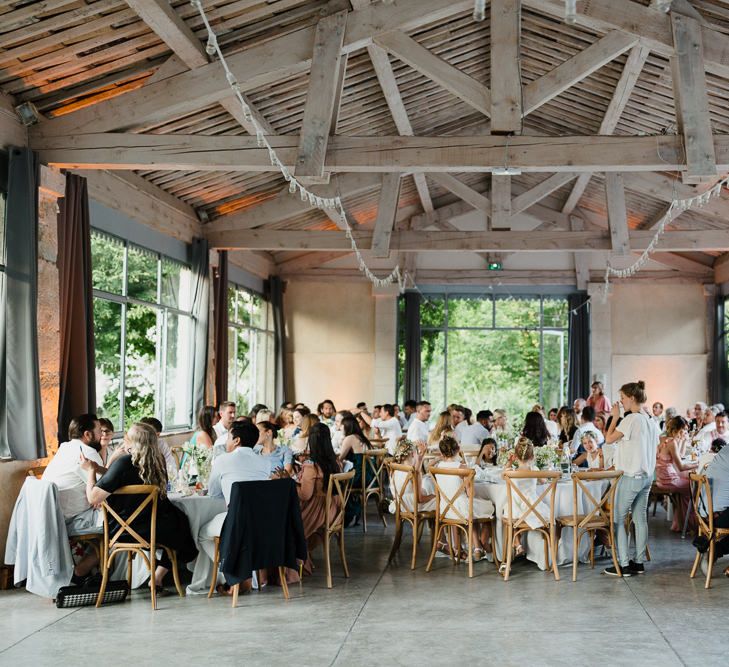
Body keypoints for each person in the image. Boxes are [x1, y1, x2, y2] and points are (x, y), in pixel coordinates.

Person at [81, 422, 198, 593]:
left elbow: (93, 498)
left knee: (178, 523)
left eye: (126, 438)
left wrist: (90, 471)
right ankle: (157, 577)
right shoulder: (157, 465)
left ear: (132, 442)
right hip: (155, 529)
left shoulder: (123, 464)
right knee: (181, 525)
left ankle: (155, 578)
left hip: (123, 530)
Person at [603, 380, 659, 577]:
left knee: (618, 519)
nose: (621, 402)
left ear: (632, 398)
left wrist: (614, 418)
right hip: (647, 476)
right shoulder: (650, 420)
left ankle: (623, 564)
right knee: (639, 519)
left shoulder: (631, 419)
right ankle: (639, 562)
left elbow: (608, 439)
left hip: (630, 476)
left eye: (623, 399)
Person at [435, 436, 494, 561]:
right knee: (491, 507)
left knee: (473, 511)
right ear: (458, 450)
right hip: (462, 509)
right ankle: (484, 546)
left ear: (441, 452)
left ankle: (477, 547)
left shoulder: (438, 467)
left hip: (445, 509)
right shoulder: (462, 467)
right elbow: (470, 494)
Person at [296, 422, 342, 574]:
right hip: (334, 510)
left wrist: (289, 482)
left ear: (311, 441)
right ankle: (304, 558)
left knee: (288, 525)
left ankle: (297, 564)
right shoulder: (336, 462)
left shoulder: (312, 466)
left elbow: (305, 494)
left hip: (318, 511)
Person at [208, 421, 272, 504]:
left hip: (237, 515)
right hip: (263, 515)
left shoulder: (221, 460)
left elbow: (214, 494)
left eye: (228, 438)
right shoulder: (266, 462)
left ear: (237, 441)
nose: (226, 442)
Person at [655, 416, 697, 532]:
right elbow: (681, 466)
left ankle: (680, 524)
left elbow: (680, 455)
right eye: (683, 430)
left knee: (683, 493)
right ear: (676, 430)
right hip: (669, 480)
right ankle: (691, 524)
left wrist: (683, 440)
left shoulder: (664, 439)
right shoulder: (672, 442)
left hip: (661, 478)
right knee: (694, 486)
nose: (685, 432)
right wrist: (698, 464)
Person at [694, 443, 729, 576]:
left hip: (704, 514)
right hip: (716, 516)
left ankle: (715, 551)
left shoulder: (725, 450)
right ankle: (716, 551)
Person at [338, 414, 372, 526]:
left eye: (341, 426)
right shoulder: (361, 437)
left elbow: (339, 458)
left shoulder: (350, 438)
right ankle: (353, 514)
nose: (340, 428)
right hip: (369, 476)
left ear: (347, 426)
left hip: (359, 476)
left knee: (337, 483)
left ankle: (349, 515)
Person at [388, 438, 435, 515]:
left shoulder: (395, 470)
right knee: (440, 501)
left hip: (399, 504)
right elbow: (420, 499)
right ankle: (433, 526)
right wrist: (434, 496)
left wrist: (419, 460)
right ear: (413, 454)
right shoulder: (415, 473)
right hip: (413, 506)